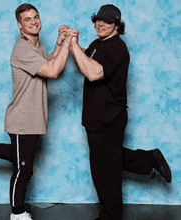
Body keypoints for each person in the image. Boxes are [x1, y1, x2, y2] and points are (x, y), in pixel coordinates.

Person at [0, 3, 78, 220]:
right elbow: (52, 72)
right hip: (22, 119)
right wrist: (68, 44)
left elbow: (49, 62)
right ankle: (17, 213)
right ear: (19, 25)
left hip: (34, 118)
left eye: (36, 17)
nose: (34, 21)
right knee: (23, 170)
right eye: (27, 19)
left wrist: (59, 43)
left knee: (22, 160)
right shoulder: (22, 49)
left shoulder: (37, 47)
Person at [68, 4, 172, 220]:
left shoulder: (117, 47)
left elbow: (94, 73)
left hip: (110, 117)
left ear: (117, 25)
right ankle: (149, 159)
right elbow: (84, 64)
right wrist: (69, 43)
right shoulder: (97, 44)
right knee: (104, 164)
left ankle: (111, 215)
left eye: (106, 21)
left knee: (107, 170)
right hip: (93, 117)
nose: (100, 24)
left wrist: (75, 46)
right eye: (97, 20)